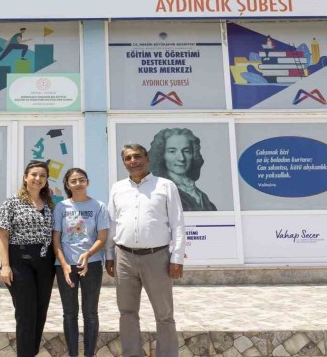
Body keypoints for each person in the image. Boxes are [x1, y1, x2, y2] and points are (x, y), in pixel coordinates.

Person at [105, 143, 185, 357]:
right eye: (128, 158)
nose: (133, 161)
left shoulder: (165, 186)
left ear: (147, 159)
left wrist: (177, 258)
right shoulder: (117, 188)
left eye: (137, 156)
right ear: (124, 163)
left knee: (164, 314)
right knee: (127, 312)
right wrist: (109, 255)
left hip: (157, 258)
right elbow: (112, 223)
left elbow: (177, 224)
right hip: (124, 258)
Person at [0, 161, 55, 357]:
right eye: (34, 175)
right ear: (25, 177)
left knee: (40, 311)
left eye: (43, 176)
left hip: (45, 262)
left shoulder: (50, 204)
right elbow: (3, 236)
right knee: (25, 312)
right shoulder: (12, 203)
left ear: (46, 180)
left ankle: (31, 352)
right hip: (19, 261)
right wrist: (5, 266)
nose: (38, 179)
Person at [52, 168, 109, 357]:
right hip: (65, 266)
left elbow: (102, 237)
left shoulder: (99, 206)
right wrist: (63, 264)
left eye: (81, 180)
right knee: (69, 313)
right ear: (67, 185)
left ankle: (89, 354)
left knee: (90, 313)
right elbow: (56, 239)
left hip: (91, 265)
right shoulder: (61, 207)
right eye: (73, 181)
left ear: (87, 182)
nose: (78, 184)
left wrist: (88, 254)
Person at [149, 128, 217, 212]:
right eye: (172, 151)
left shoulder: (200, 195)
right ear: (161, 155)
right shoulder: (158, 192)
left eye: (186, 151)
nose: (181, 158)